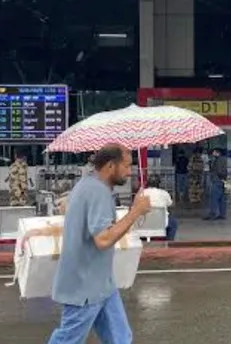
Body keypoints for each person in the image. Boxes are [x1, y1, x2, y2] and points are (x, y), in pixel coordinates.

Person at [48, 143, 151, 344]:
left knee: (120, 338)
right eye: (127, 166)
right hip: (84, 287)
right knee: (68, 339)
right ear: (111, 166)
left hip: (102, 284)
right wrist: (135, 212)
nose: (129, 172)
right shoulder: (98, 192)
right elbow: (103, 240)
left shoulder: (88, 184)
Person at [141, 175, 177, 240]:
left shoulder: (142, 193)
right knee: (174, 222)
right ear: (159, 183)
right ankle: (169, 242)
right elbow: (170, 204)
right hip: (161, 223)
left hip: (145, 223)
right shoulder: (164, 193)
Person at [204, 148, 228, 221]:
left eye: (214, 152)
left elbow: (219, 171)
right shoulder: (224, 159)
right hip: (223, 181)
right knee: (222, 198)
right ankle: (222, 214)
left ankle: (213, 214)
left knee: (214, 198)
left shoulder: (218, 160)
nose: (212, 153)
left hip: (217, 180)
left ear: (218, 153)